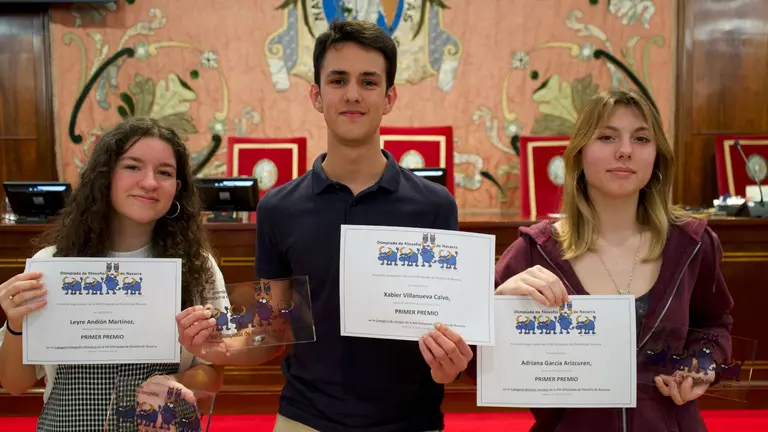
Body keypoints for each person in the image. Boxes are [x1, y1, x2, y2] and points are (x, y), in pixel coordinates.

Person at [235, 19, 470, 432]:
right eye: (338, 80)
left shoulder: (435, 207)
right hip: (304, 419)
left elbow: (447, 327)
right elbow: (271, 328)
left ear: (389, 96)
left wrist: (450, 362)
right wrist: (213, 343)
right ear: (316, 94)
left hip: (410, 420)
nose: (353, 95)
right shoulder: (278, 208)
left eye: (369, 81)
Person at [493, 89, 734, 432]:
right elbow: (476, 356)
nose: (625, 150)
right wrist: (496, 307)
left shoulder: (693, 245)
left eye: (641, 138)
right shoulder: (535, 250)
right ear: (578, 154)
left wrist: (703, 363)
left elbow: (715, 323)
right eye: (607, 136)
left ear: (656, 156)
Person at [0, 117, 230, 431]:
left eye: (164, 172)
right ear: (106, 175)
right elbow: (14, 384)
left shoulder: (197, 267)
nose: (149, 182)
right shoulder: (52, 266)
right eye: (132, 166)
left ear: (176, 189)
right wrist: (15, 323)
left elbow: (213, 373)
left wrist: (178, 382)